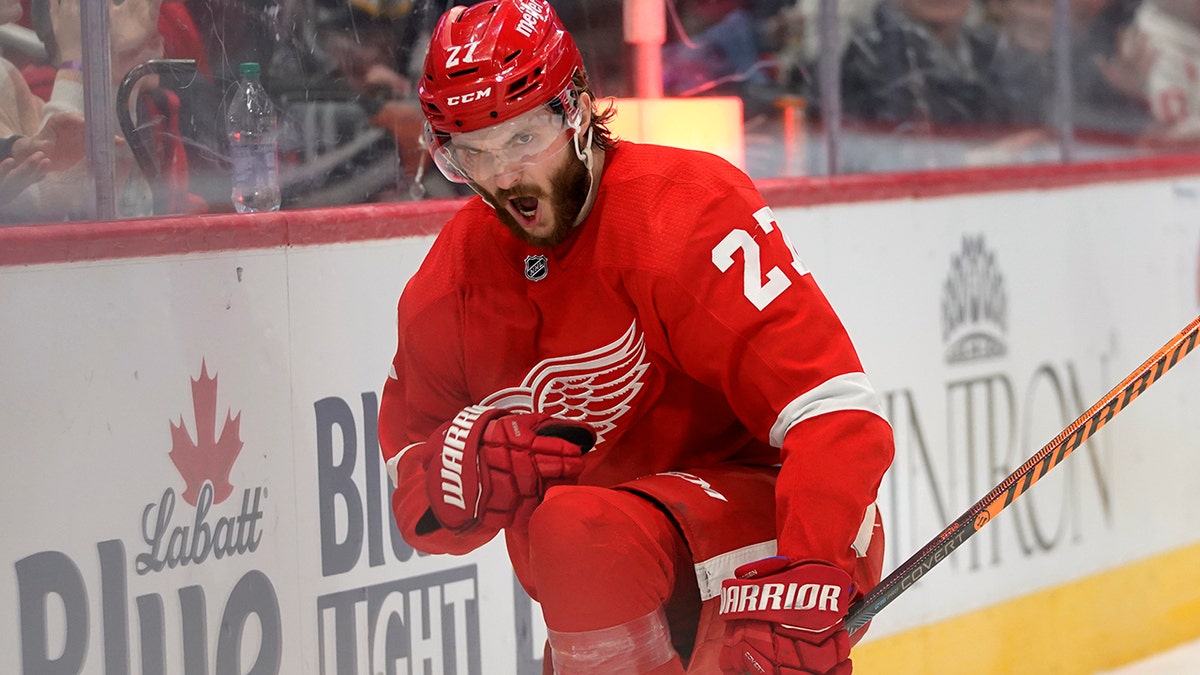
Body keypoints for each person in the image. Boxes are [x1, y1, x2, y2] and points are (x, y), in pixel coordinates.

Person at [378, 1, 895, 673]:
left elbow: (836, 411)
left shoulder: (684, 213)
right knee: (570, 533)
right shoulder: (451, 285)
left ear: (580, 109)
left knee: (576, 531)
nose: (505, 176)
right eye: (474, 152)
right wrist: (452, 475)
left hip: (774, 536)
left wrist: (810, 569)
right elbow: (411, 480)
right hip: (610, 560)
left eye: (523, 138)